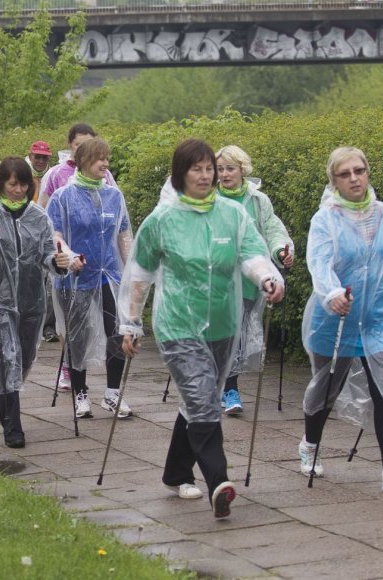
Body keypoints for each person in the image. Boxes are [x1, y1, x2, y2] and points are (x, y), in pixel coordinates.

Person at [119, 138, 284, 519]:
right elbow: (140, 274)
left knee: (199, 397)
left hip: (224, 325)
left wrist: (267, 279)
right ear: (181, 174)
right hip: (178, 324)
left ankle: (176, 471)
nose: (206, 175)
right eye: (197, 169)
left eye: (210, 168)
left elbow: (252, 254)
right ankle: (218, 481)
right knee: (201, 395)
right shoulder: (162, 219)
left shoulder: (233, 214)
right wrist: (130, 324)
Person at [298, 146, 383, 494]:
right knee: (326, 389)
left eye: (359, 170)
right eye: (345, 173)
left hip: (381, 316)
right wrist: (332, 294)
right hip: (337, 317)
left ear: (368, 172)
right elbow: (318, 263)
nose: (354, 178)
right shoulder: (325, 219)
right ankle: (309, 444)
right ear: (334, 181)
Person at [0, 157, 70, 448]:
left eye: (23, 184)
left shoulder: (39, 217)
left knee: (23, 358)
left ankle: (2, 395)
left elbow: (48, 254)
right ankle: (13, 426)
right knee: (7, 355)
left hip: (32, 302)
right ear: (1, 185)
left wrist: (59, 262)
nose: (18, 190)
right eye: (12, 184)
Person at [48, 138, 134, 419]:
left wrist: (132, 268)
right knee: (78, 337)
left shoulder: (114, 196)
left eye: (107, 158)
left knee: (117, 332)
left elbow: (123, 234)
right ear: (84, 161)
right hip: (76, 277)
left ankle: (112, 394)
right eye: (100, 158)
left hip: (108, 274)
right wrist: (70, 256)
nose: (105, 163)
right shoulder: (63, 197)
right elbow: (55, 235)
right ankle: (80, 393)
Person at [215, 145, 295, 415]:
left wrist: (282, 251)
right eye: (220, 169)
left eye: (230, 168)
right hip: (218, 279)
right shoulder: (208, 197)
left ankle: (225, 387)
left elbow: (272, 229)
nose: (224, 174)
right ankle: (227, 389)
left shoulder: (258, 200)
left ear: (242, 170)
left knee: (238, 335)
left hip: (250, 278)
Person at [40, 124, 118, 366]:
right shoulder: (56, 176)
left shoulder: (108, 181)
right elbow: (46, 218)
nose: (85, 149)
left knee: (113, 326)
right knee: (75, 327)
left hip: (104, 268)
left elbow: (117, 220)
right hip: (71, 268)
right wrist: (60, 254)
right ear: (72, 146)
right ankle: (70, 369)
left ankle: (112, 390)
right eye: (79, 145)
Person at [25, 140, 52, 206]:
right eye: (37, 157)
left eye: (45, 158)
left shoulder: (52, 175)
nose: (41, 161)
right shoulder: (23, 173)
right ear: (30, 157)